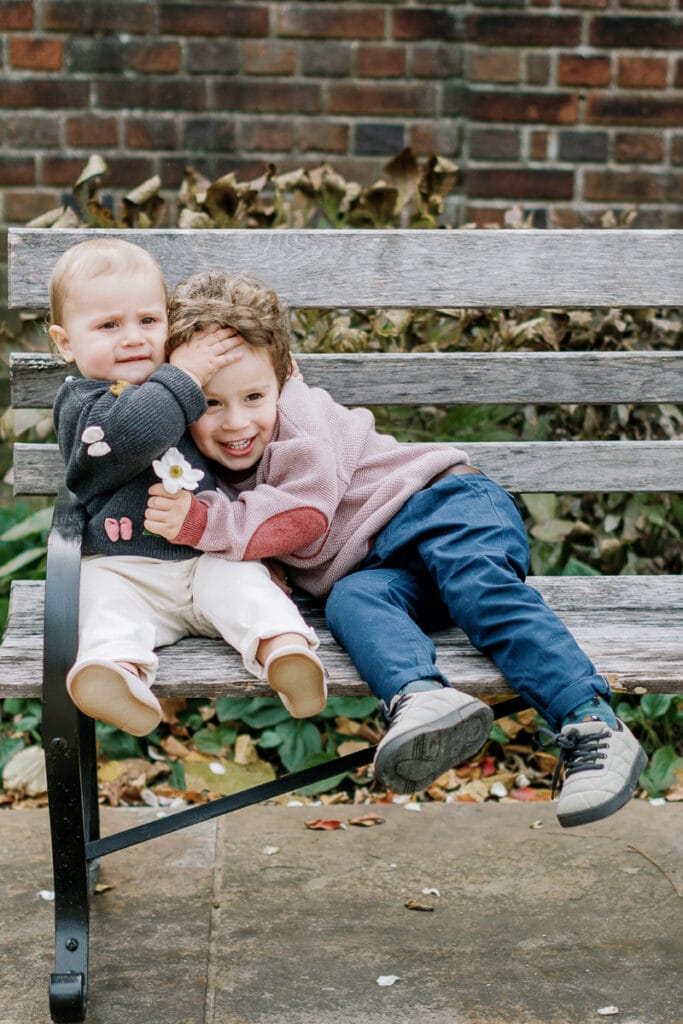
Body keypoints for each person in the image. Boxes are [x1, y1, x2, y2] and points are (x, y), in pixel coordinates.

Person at [143, 270, 647, 828]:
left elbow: (303, 517)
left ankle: (593, 723)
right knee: (352, 602)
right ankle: (422, 700)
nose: (235, 421)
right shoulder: (194, 449)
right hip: (382, 567)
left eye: (254, 397)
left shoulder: (301, 416)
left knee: (478, 589)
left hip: (443, 507)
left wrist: (203, 525)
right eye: (210, 403)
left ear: (285, 378)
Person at [48, 239, 326, 737]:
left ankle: (283, 651)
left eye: (148, 322)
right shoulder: (84, 404)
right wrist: (184, 375)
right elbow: (127, 434)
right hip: (121, 567)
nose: (133, 338)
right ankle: (117, 676)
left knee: (246, 588)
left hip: (202, 559)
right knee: (105, 608)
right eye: (109, 325)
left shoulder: (186, 385)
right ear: (66, 343)